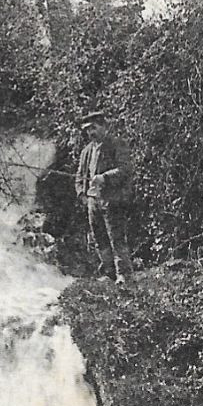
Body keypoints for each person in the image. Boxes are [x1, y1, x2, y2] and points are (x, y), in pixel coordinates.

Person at [73, 116, 128, 284]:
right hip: (92, 201)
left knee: (116, 238)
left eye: (94, 127)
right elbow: (79, 176)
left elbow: (125, 169)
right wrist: (82, 194)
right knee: (100, 239)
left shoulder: (117, 144)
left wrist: (104, 177)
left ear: (104, 126)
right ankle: (109, 272)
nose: (91, 132)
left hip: (112, 199)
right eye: (88, 129)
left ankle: (123, 274)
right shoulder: (86, 151)